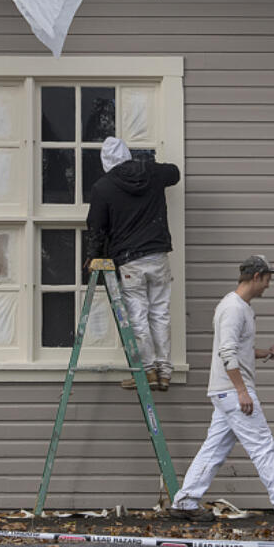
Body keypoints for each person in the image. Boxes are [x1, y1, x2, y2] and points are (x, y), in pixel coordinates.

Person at [169, 255, 274, 523]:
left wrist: (266, 353)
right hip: (231, 389)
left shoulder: (242, 308)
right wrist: (241, 391)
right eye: (268, 279)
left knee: (213, 449)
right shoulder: (233, 308)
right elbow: (227, 352)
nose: (269, 285)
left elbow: (239, 349)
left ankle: (185, 501)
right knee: (262, 444)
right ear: (256, 276)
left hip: (225, 389)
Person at [85, 136, 181, 391]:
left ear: (105, 162)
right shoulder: (151, 173)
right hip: (158, 255)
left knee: (138, 316)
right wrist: (149, 162)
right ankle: (165, 371)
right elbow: (174, 173)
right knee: (160, 313)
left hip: (130, 261)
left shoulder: (103, 187)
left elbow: (97, 227)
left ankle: (147, 372)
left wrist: (93, 256)